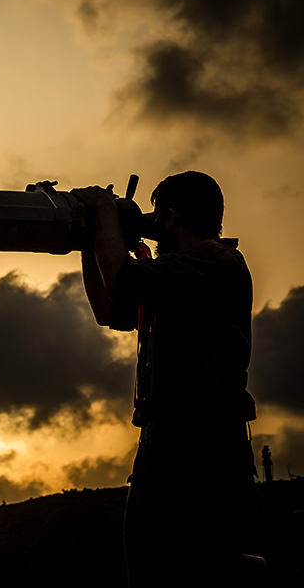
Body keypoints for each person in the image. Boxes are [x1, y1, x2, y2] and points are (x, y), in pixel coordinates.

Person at [73, 172, 260, 586]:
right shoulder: (175, 275)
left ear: (171, 217)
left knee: (187, 574)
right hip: (169, 441)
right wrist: (91, 241)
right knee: (155, 569)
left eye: (157, 215)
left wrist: (104, 212)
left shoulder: (214, 264)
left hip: (203, 446)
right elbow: (111, 308)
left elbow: (123, 277)